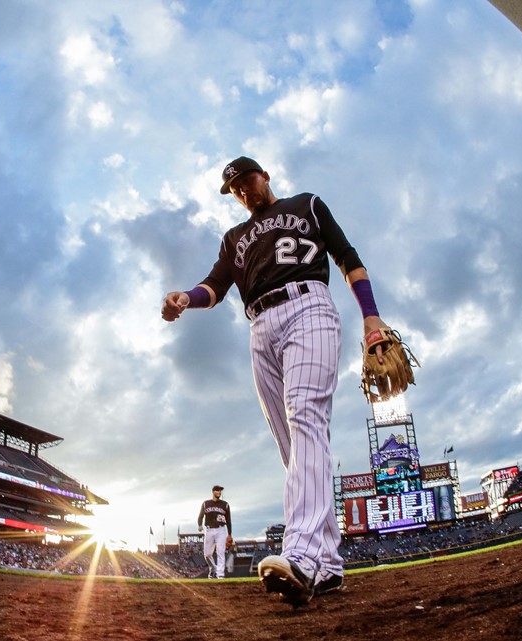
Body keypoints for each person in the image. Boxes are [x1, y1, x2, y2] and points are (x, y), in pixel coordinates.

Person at [163, 156, 392, 605]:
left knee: (305, 416)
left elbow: (348, 258)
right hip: (260, 328)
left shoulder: (307, 204)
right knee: (295, 447)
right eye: (235, 190)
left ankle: (301, 553)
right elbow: (213, 287)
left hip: (309, 305)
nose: (244, 191)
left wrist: (371, 317)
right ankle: (327, 565)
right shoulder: (233, 239)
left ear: (264, 175)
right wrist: (184, 299)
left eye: (247, 181)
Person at [196, 485, 233, 579]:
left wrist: (229, 534)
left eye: (220, 491)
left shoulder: (225, 504)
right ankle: (213, 569)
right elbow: (200, 516)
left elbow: (228, 520)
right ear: (213, 492)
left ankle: (220, 574)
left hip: (221, 530)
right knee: (207, 554)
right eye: (217, 490)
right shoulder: (206, 503)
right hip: (209, 530)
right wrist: (200, 525)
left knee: (221, 552)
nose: (219, 492)